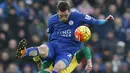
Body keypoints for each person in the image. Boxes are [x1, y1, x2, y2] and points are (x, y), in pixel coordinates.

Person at [16, 1, 114, 73]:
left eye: (66, 15)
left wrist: (105, 21)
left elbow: (94, 21)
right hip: (53, 46)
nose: (63, 18)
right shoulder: (52, 20)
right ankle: (23, 52)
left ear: (69, 12)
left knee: (60, 66)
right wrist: (49, 52)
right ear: (57, 12)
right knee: (43, 48)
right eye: (61, 16)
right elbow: (50, 35)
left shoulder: (78, 16)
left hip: (67, 51)